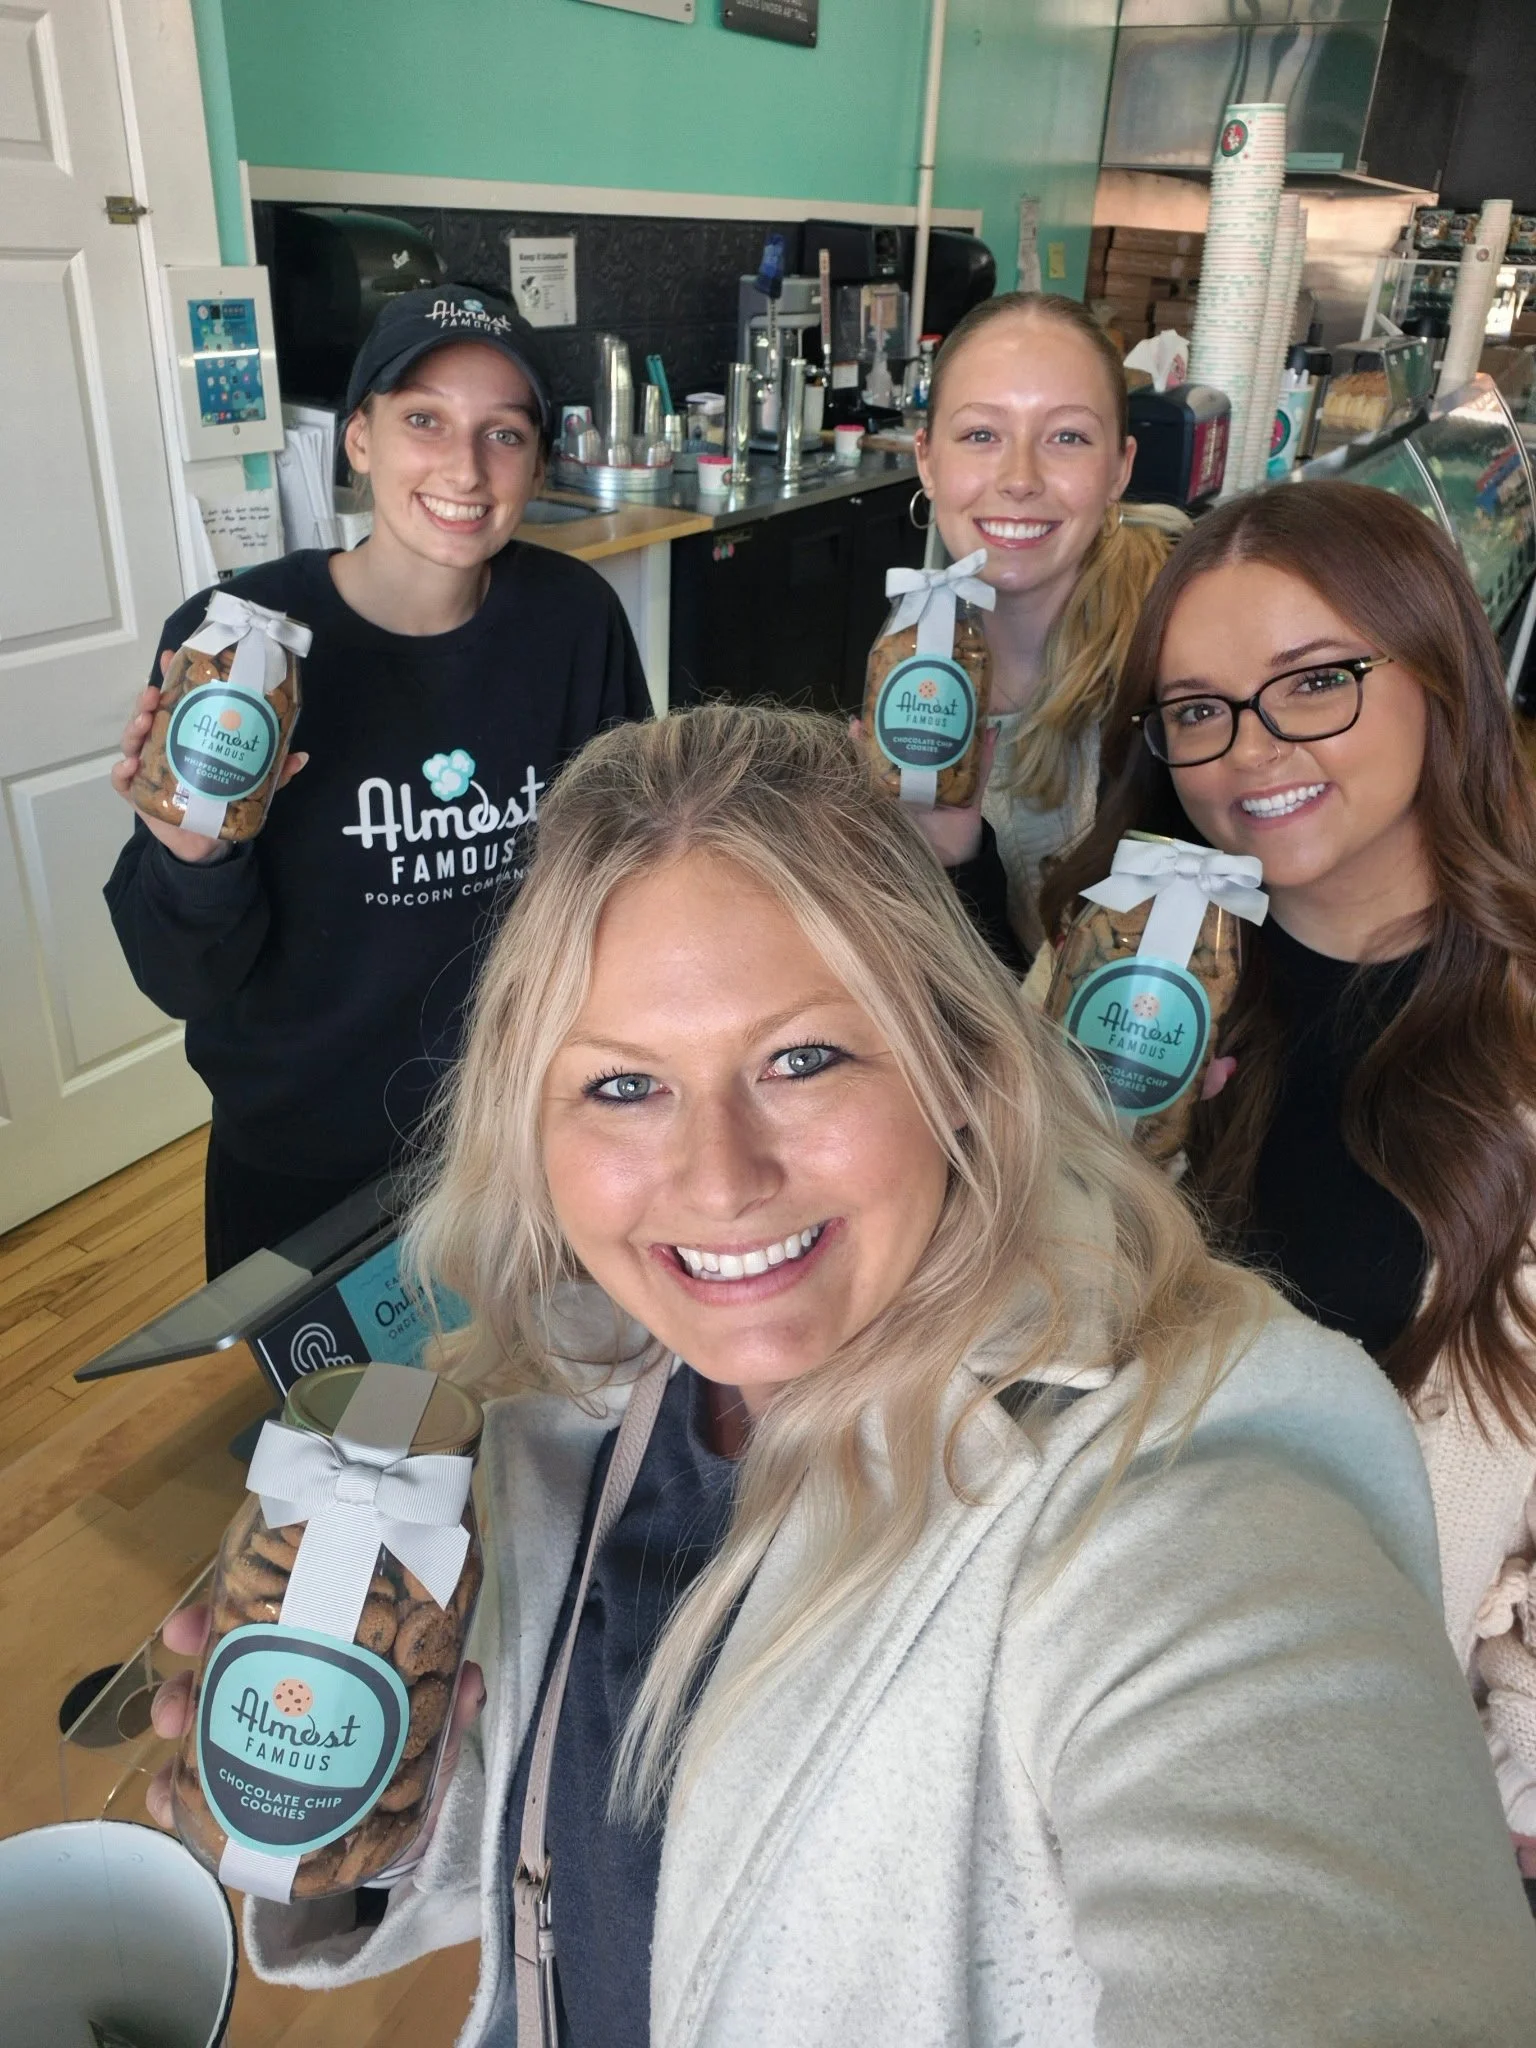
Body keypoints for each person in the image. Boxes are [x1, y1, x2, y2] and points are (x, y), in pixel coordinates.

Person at [150, 703, 1536, 2041]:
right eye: (624, 1085)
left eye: (803, 1059)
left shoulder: (1182, 1505)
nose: (719, 1180)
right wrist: (383, 1789)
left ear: (958, 1065)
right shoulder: (558, 1393)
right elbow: (589, 1858)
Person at [1041, 479, 1536, 1876]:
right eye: (1196, 709)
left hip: (1366, 1766)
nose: (1248, 752)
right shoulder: (1119, 965)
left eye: (1313, 682)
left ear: (1442, 670)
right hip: (1079, 1695)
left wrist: (1507, 1799)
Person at [106, 285, 651, 1276]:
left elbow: (628, 881)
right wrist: (191, 854)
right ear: (359, 440)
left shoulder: (571, 619)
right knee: (327, 1430)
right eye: (424, 420)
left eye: (505, 433)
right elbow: (176, 976)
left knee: (532, 1418)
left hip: (516, 1146)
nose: (465, 466)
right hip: (304, 1163)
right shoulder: (241, 641)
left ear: (537, 459)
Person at [910, 290, 1187, 951]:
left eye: (1066, 437)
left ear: (1119, 468)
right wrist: (948, 860)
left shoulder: (1176, 687)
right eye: (982, 434)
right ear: (927, 460)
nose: (1020, 478)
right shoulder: (915, 669)